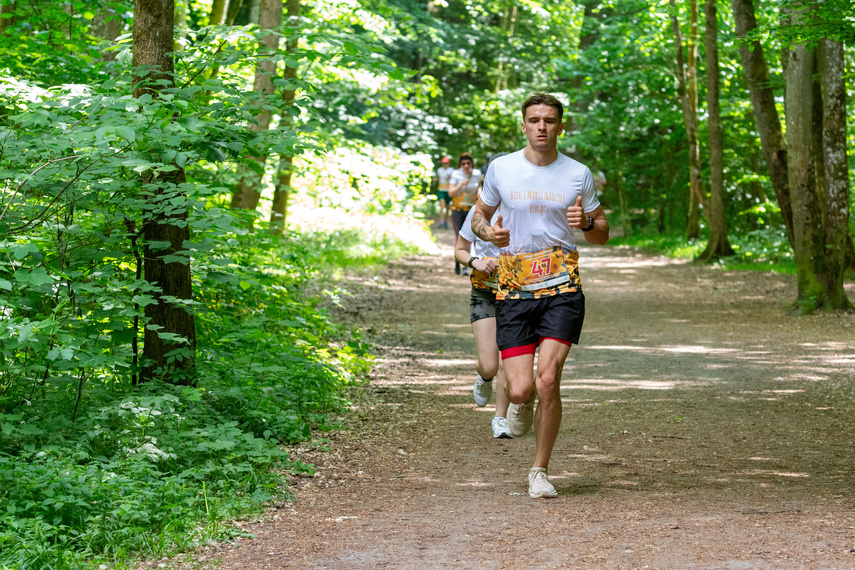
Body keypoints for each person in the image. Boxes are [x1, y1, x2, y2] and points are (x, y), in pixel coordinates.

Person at [471, 93, 609, 499]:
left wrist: (585, 220)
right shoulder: (502, 169)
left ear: (561, 126)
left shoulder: (577, 173)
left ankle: (539, 470)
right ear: (524, 125)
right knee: (519, 390)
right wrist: (486, 233)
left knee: (548, 379)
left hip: (562, 287)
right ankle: (520, 400)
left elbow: (602, 230)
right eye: (535, 120)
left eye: (550, 120)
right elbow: (478, 215)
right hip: (513, 287)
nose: (542, 127)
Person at [454, 153, 512, 439]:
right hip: (484, 292)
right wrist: (475, 262)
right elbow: (460, 249)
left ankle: (500, 418)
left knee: (508, 360)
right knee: (490, 363)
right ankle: (483, 376)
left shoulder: (526, 208)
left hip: (517, 293)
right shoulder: (478, 212)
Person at [448, 153, 481, 275]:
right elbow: (451, 193)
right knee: (460, 236)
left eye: (468, 163)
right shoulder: (456, 174)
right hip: (457, 209)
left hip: (471, 209)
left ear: (472, 164)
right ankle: (458, 261)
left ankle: (465, 266)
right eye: (463, 164)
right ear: (460, 165)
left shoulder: (477, 174)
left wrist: (479, 192)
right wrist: (461, 184)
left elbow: (480, 187)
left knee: (470, 237)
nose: (466, 166)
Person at [435, 156, 454, 229]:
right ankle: (441, 222)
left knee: (447, 206)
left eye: (446, 163)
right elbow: (439, 178)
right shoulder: (439, 170)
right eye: (444, 163)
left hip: (448, 190)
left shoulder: (451, 170)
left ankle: (445, 221)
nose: (445, 164)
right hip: (441, 190)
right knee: (442, 205)